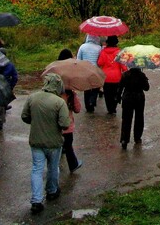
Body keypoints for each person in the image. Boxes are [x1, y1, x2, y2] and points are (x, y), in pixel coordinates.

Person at [21, 73, 70, 215]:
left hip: (36, 141)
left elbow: (25, 116)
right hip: (54, 142)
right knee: (53, 167)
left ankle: (36, 200)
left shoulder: (32, 97)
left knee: (37, 169)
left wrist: (36, 122)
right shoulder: (59, 102)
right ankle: (52, 191)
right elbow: (65, 124)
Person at [56, 49, 82, 172]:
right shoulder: (71, 94)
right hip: (67, 126)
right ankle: (73, 165)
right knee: (69, 146)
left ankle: (54, 166)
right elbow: (77, 109)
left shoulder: (53, 93)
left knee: (56, 148)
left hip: (55, 125)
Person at [118, 67, 149, 149]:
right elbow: (147, 88)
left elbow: (120, 87)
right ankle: (137, 137)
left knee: (126, 119)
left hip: (127, 98)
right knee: (139, 118)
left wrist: (118, 98)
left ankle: (124, 139)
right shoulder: (141, 75)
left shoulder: (125, 75)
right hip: (139, 98)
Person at [96, 36, 126, 115]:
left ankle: (109, 108)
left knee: (107, 94)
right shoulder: (119, 52)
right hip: (117, 77)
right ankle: (113, 107)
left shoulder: (103, 52)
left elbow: (99, 63)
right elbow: (123, 67)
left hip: (106, 77)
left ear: (107, 42)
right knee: (115, 93)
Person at [76, 34, 102, 113]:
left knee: (86, 89)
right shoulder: (99, 48)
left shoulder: (82, 47)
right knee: (96, 87)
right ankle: (92, 100)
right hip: (95, 70)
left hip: (85, 70)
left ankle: (88, 106)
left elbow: (78, 59)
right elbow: (100, 61)